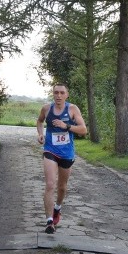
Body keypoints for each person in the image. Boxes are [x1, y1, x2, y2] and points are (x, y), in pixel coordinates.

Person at [36, 83, 87, 234]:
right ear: (53, 94)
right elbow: (39, 121)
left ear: (66, 95)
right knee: (50, 184)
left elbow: (84, 130)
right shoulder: (47, 108)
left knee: (62, 187)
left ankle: (57, 208)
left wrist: (67, 126)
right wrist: (40, 134)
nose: (58, 95)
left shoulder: (72, 109)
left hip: (67, 153)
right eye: (56, 92)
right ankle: (49, 222)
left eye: (61, 93)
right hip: (50, 150)